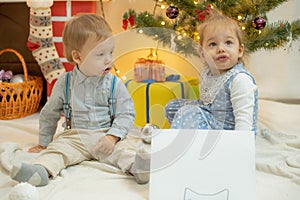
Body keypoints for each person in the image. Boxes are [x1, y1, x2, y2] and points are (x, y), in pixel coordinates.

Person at [9, 13, 149, 186]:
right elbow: (49, 113)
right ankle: (41, 171)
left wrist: (113, 137)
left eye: (111, 52)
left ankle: (139, 168)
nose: (109, 59)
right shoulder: (65, 82)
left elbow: (126, 113)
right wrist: (44, 143)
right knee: (57, 151)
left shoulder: (114, 84)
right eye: (100, 54)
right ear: (77, 57)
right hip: (74, 137)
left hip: (106, 135)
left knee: (124, 152)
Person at [165, 9, 258, 133]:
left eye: (228, 42)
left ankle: (183, 143)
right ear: (203, 54)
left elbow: (244, 120)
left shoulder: (239, 79)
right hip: (211, 118)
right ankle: (188, 136)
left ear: (240, 50)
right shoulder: (207, 73)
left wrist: (239, 145)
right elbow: (206, 104)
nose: (221, 49)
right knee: (173, 107)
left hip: (228, 132)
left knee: (188, 113)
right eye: (213, 44)